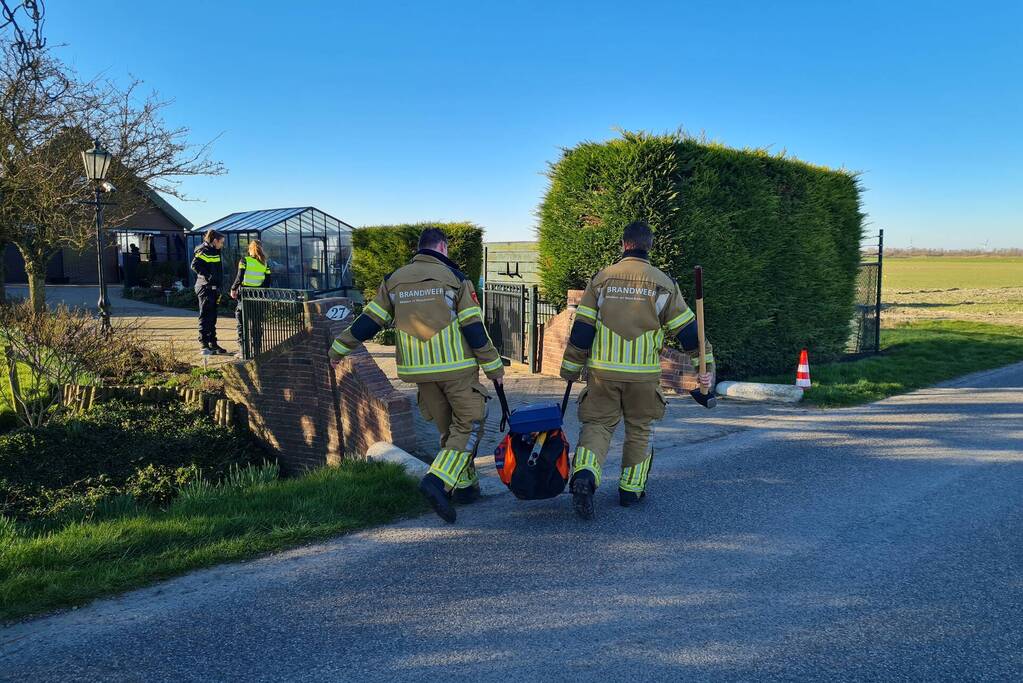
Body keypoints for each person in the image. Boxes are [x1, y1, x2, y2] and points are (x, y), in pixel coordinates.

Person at [328, 228, 505, 523]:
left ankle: (465, 488)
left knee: (449, 429)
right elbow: (474, 328)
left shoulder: (393, 280)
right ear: (443, 248)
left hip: (420, 372)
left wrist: (338, 349)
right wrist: (494, 368)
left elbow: (369, 322)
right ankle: (436, 481)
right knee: (470, 425)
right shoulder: (455, 279)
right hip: (456, 367)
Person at [559, 220, 714, 519]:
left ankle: (585, 475)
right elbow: (688, 333)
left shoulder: (601, 279)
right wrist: (704, 371)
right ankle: (631, 490)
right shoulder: (664, 284)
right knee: (640, 429)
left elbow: (582, 330)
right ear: (650, 246)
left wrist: (570, 370)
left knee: (598, 426)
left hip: (603, 374)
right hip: (643, 377)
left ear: (623, 244)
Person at [229, 239, 272, 356]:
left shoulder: (244, 260)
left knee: (241, 323)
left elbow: (240, 276)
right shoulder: (265, 263)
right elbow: (267, 282)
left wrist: (233, 289)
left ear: (250, 249)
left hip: (245, 295)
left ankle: (243, 351)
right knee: (257, 324)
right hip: (258, 296)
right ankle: (257, 350)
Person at [190, 229, 227, 355]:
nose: (222, 245)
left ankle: (213, 343)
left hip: (214, 288)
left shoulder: (215, 251)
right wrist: (208, 276)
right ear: (215, 241)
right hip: (205, 288)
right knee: (205, 317)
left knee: (212, 318)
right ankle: (204, 345)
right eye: (221, 242)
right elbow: (194, 265)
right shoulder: (204, 250)